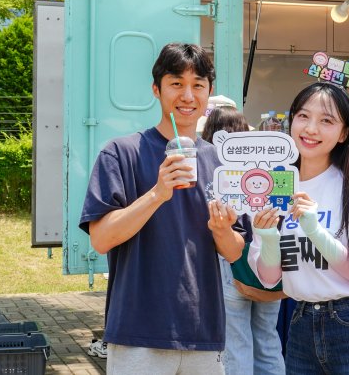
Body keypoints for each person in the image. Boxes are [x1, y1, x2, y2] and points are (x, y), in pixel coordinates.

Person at [78, 42, 245, 375]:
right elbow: (101, 239)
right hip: (138, 331)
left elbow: (236, 251)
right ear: (157, 89)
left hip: (203, 332)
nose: (187, 95)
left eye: (198, 85)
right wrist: (157, 193)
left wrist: (223, 230)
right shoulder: (121, 153)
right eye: (176, 84)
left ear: (208, 93)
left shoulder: (220, 161)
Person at [249, 82, 349, 374]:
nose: (310, 128)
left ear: (344, 133)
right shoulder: (275, 184)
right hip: (301, 322)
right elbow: (269, 278)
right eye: (303, 116)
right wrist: (267, 237)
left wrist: (315, 231)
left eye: (326, 120)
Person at [201, 105, 287, 375]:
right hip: (268, 260)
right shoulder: (271, 167)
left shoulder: (215, 171)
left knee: (236, 343)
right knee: (268, 341)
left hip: (231, 260)